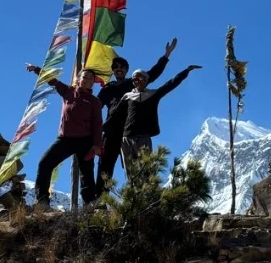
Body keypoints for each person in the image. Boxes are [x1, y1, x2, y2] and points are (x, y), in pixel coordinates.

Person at [96, 38, 177, 197]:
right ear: (113, 71)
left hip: (131, 132)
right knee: (105, 167)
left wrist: (166, 55)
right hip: (112, 133)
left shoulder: (133, 83)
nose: (118, 69)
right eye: (115, 67)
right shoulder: (107, 89)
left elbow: (153, 74)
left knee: (139, 168)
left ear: (126, 70)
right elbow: (95, 108)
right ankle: (100, 202)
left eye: (122, 67)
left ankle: (143, 199)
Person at [23, 64, 103, 208]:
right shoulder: (68, 91)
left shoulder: (94, 101)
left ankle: (90, 206)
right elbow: (52, 80)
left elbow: (98, 123)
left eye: (91, 78)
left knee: (87, 175)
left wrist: (97, 145)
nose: (88, 80)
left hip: (85, 141)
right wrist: (36, 70)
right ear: (78, 79)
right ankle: (42, 201)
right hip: (65, 139)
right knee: (45, 163)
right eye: (85, 77)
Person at [117, 63, 203, 178]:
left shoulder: (153, 94)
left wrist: (186, 71)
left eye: (140, 77)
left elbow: (170, 84)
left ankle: (146, 195)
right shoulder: (127, 96)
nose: (137, 81)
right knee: (130, 173)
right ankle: (132, 195)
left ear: (146, 79)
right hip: (126, 138)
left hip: (143, 138)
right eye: (134, 79)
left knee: (145, 172)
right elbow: (115, 116)